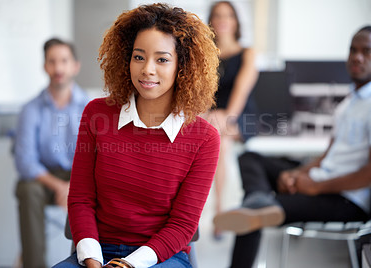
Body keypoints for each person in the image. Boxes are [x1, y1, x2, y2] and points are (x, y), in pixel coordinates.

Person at [53, 3, 220, 268]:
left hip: (161, 257)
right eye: (139, 56)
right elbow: (81, 199)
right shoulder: (97, 114)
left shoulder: (204, 137)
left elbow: (183, 224)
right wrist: (94, 261)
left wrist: (128, 265)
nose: (147, 69)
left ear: (182, 67)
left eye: (162, 59)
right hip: (96, 251)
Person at [213, 25, 371, 268]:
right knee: (250, 158)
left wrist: (316, 186)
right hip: (324, 179)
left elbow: (368, 174)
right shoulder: (349, 102)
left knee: (249, 216)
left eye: (366, 51)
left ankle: (257, 204)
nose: (357, 57)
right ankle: (258, 199)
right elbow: (329, 155)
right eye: (353, 50)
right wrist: (299, 174)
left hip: (347, 200)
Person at [14, 38, 89, 268]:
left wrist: (72, 186)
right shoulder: (31, 109)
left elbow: (94, 157)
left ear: (75, 66)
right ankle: (33, 264)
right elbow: (26, 162)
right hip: (45, 179)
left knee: (91, 194)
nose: (58, 68)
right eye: (52, 62)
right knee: (27, 189)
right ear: (44, 66)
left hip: (79, 176)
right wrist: (60, 187)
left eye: (64, 61)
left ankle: (81, 261)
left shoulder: (90, 107)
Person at [205, 1, 259, 239]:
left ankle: (219, 211)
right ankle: (220, 211)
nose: (223, 20)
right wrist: (208, 116)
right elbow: (202, 94)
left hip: (242, 115)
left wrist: (226, 117)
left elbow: (241, 91)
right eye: (217, 16)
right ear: (211, 22)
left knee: (218, 136)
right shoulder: (206, 56)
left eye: (228, 15)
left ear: (236, 21)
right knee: (219, 139)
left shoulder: (247, 53)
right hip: (214, 117)